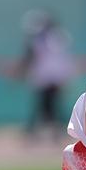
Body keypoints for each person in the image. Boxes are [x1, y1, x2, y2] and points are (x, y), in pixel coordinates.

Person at [17, 10, 74, 140]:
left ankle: (37, 130)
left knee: (47, 105)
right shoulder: (59, 37)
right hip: (54, 77)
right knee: (48, 105)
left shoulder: (42, 40)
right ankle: (43, 130)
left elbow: (31, 57)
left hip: (47, 78)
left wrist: (20, 71)